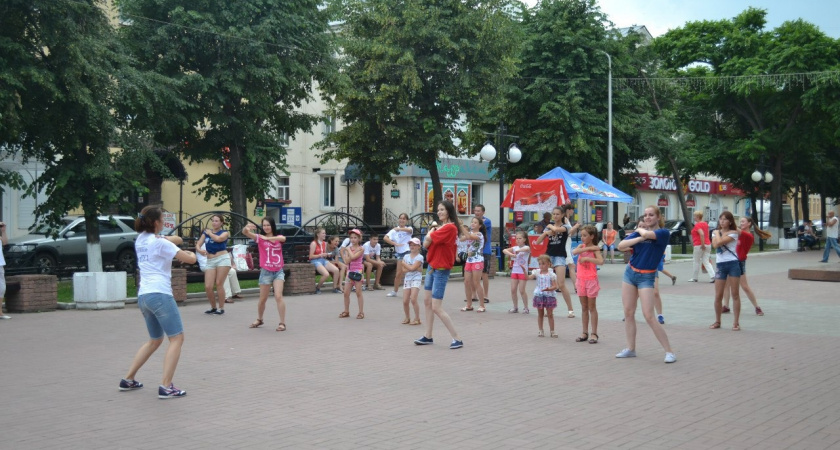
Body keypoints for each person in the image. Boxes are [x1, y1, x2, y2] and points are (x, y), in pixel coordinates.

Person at [121, 205, 196, 398]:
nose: (164, 222)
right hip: (160, 295)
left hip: (144, 296)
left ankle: (128, 379)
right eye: (162, 220)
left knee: (155, 340)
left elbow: (173, 239)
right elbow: (189, 260)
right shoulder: (161, 243)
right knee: (177, 338)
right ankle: (166, 386)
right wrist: (194, 254)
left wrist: (174, 239)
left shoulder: (141, 240)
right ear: (155, 223)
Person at [616, 206, 676, 363]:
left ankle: (669, 352)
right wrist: (639, 237)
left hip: (647, 277)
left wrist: (640, 232)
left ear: (658, 217)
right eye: (646, 215)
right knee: (628, 312)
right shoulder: (640, 232)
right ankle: (630, 349)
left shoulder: (663, 233)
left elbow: (649, 234)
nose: (648, 217)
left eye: (651, 215)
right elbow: (621, 245)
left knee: (649, 315)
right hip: (630, 273)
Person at [414, 201, 464, 349]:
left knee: (436, 306)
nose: (440, 212)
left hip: (441, 268)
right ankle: (428, 336)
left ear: (449, 211)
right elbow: (425, 245)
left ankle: (457, 338)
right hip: (431, 266)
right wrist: (431, 234)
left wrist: (430, 232)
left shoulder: (450, 228)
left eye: (442, 209)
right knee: (427, 302)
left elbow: (428, 240)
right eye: (438, 210)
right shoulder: (441, 228)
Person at [242, 218, 287, 331]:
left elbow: (283, 238)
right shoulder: (260, 238)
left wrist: (268, 238)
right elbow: (246, 233)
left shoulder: (278, 238)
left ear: (272, 226)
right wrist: (246, 228)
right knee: (262, 299)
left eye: (268, 225)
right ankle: (260, 319)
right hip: (266, 272)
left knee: (278, 296)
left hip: (278, 271)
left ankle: (282, 323)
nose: (266, 227)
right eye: (264, 225)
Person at [722, 217, 770, 316]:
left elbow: (735, 229)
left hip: (739, 262)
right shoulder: (739, 234)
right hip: (731, 260)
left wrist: (728, 220)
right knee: (726, 284)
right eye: (740, 222)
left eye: (743, 221)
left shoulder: (748, 235)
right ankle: (725, 306)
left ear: (749, 224)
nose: (741, 223)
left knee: (744, 286)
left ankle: (757, 307)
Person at [535, 206, 575, 319]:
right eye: (554, 214)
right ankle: (549, 309)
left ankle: (570, 309)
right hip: (549, 256)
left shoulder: (565, 226)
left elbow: (558, 230)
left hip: (560, 256)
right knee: (547, 283)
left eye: (557, 214)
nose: (555, 216)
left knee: (561, 284)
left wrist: (550, 227)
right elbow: (538, 242)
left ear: (562, 215)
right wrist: (546, 233)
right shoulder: (549, 228)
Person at [710, 211, 742, 331]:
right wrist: (717, 234)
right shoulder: (716, 233)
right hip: (720, 264)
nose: (722, 221)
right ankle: (717, 321)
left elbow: (719, 242)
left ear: (730, 221)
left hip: (733, 263)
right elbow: (714, 245)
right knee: (718, 295)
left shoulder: (733, 233)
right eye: (720, 219)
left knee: (735, 294)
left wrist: (716, 233)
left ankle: (736, 322)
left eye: (725, 219)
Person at [572, 225, 603, 344]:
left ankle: (594, 333)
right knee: (584, 307)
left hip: (591, 280)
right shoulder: (581, 246)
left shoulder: (595, 249)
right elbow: (575, 251)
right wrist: (585, 249)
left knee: (592, 307)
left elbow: (600, 261)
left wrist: (588, 259)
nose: (582, 238)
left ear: (592, 236)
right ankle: (584, 332)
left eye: (585, 235)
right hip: (581, 280)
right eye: (581, 235)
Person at [196, 214, 230, 315]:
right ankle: (213, 307)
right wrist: (200, 250)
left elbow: (219, 239)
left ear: (221, 223)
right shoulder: (206, 233)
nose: (214, 223)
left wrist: (210, 233)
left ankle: (221, 307)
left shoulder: (224, 232)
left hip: (222, 259)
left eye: (216, 221)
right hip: (210, 260)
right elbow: (198, 244)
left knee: (219, 283)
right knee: (208, 286)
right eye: (213, 220)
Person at [460, 217, 487, 313]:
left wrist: (461, 226)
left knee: (476, 282)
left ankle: (482, 305)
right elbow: (462, 239)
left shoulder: (479, 234)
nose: (473, 224)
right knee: (466, 282)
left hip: (478, 260)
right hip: (469, 260)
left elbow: (469, 237)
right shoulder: (469, 233)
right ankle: (469, 305)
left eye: (475, 222)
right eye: (472, 222)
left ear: (479, 225)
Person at [384, 213, 413, 298]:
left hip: (407, 252)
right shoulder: (394, 231)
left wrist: (398, 229)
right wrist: (394, 243)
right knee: (398, 273)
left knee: (408, 271)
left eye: (404, 219)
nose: (402, 220)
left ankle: (411, 290)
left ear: (406, 220)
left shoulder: (409, 228)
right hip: (399, 253)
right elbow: (385, 238)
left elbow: (409, 231)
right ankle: (395, 291)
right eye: (400, 218)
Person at [529, 255, 558, 338]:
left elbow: (555, 286)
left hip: (549, 296)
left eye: (543, 264)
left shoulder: (551, 274)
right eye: (540, 264)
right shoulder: (537, 272)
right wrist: (524, 272)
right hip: (539, 295)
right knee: (540, 314)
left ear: (549, 264)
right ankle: (540, 330)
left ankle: (552, 331)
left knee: (550, 314)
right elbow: (528, 277)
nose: (541, 266)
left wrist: (548, 289)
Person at [340, 229, 366, 319]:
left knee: (358, 292)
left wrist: (349, 250)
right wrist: (349, 251)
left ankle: (361, 312)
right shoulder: (349, 249)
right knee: (346, 293)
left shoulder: (361, 248)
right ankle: (346, 311)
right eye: (351, 238)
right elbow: (347, 260)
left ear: (359, 239)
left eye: (355, 238)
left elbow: (354, 257)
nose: (353, 239)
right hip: (349, 271)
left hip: (358, 271)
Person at [503, 230, 530, 314]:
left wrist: (518, 251)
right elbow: (504, 250)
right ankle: (515, 307)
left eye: (520, 238)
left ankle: (526, 308)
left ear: (524, 239)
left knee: (522, 290)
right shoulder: (514, 248)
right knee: (513, 289)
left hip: (523, 271)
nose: (518, 240)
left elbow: (526, 248)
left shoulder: (526, 248)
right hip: (515, 270)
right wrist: (511, 254)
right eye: (517, 238)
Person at [400, 238, 424, 325]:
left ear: (418, 246)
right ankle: (407, 317)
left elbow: (412, 268)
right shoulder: (406, 256)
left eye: (414, 245)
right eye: (411, 245)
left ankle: (417, 318)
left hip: (416, 279)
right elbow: (403, 270)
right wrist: (411, 267)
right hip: (407, 279)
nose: (412, 247)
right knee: (405, 300)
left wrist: (404, 264)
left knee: (413, 299)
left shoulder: (420, 257)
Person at [310, 227, 340, 294]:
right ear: (318, 234)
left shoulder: (324, 243)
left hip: (322, 260)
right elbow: (311, 256)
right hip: (315, 261)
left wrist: (326, 254)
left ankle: (334, 288)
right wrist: (321, 255)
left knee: (336, 270)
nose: (325, 235)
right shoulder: (314, 243)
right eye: (323, 233)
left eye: (325, 233)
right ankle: (317, 288)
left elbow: (325, 253)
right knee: (326, 274)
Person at [688, 211, 716, 283]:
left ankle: (694, 278)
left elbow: (702, 234)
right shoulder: (705, 224)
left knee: (696, 261)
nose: (694, 217)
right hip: (708, 244)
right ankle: (713, 276)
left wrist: (702, 244)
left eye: (694, 216)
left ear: (697, 217)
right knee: (706, 261)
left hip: (699, 245)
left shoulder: (698, 225)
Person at [473, 204, 491, 304]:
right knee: (472, 275)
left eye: (479, 211)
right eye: (475, 211)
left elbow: (480, 226)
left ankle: (486, 295)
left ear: (483, 212)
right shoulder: (474, 222)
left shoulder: (487, 221)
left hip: (485, 250)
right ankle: (473, 294)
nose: (476, 212)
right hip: (475, 251)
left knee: (484, 274)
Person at [563, 205, 581, 290]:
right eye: (572, 210)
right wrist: (575, 227)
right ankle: (576, 286)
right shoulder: (565, 219)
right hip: (566, 243)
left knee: (568, 265)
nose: (573, 212)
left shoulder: (567, 219)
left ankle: (575, 286)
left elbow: (571, 233)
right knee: (571, 266)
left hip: (568, 242)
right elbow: (567, 232)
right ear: (568, 210)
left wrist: (575, 228)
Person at [0, 221, 9, 320]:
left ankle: (0, 312)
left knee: (2, 288)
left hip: (0, 264)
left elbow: (5, 242)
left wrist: (3, 231)